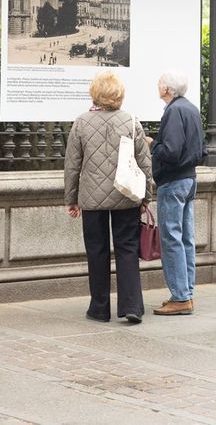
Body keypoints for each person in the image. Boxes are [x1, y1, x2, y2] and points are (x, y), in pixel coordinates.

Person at [64, 72, 153, 324]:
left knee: (96, 251)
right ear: (119, 95)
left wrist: (71, 199)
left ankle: (99, 308)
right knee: (127, 249)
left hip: (92, 200)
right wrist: (146, 197)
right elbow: (145, 163)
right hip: (125, 195)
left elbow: (72, 165)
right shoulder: (131, 122)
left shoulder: (81, 123)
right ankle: (131, 306)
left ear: (95, 94)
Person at [148, 71, 206, 316]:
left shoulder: (173, 111)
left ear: (167, 89)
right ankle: (185, 293)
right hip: (189, 179)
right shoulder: (191, 108)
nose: (158, 87)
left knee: (171, 238)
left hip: (173, 181)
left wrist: (152, 144)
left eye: (159, 84)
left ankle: (181, 297)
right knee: (185, 238)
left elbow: (171, 151)